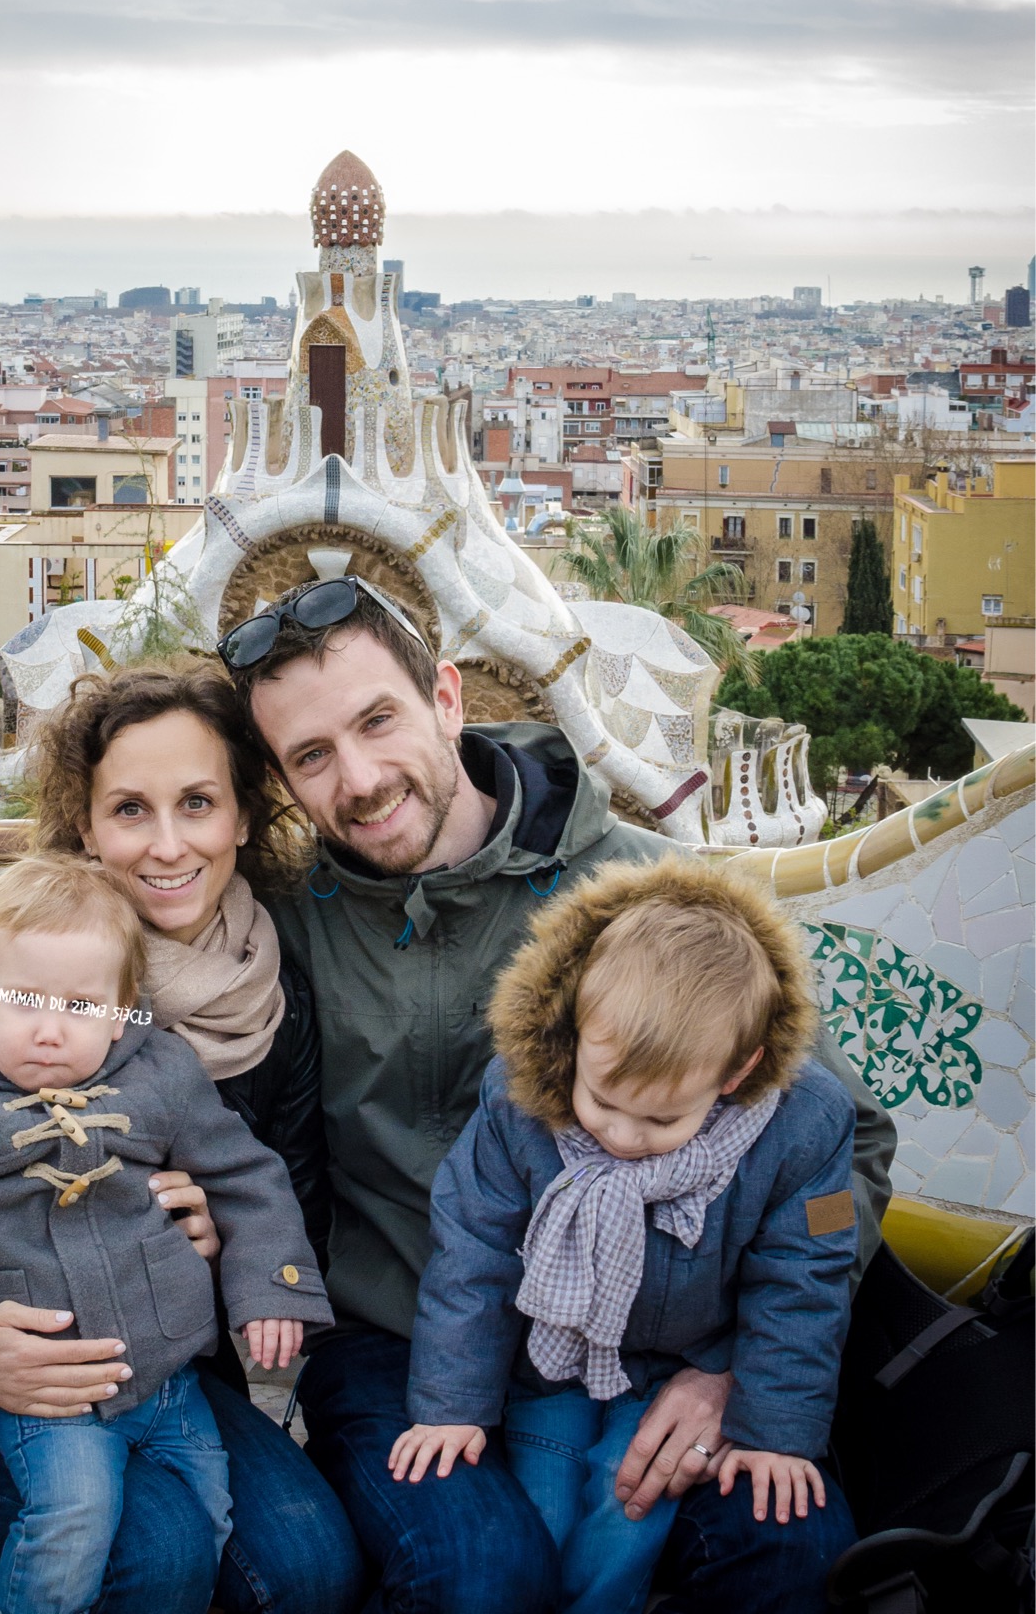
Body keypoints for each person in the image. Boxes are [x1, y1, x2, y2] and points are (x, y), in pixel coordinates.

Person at [216, 574, 895, 1614]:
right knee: (476, 1574)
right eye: (311, 755)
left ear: (446, 698)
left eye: (376, 719)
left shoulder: (647, 896)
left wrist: (732, 1373)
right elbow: (96, 904)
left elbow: (843, 1140)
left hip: (661, 1345)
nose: (355, 777)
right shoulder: (277, 918)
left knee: (792, 1546)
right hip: (397, 1335)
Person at [0, 660, 364, 1614]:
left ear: (244, 816)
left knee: (307, 1567)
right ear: (85, 827)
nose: (168, 845)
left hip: (162, 1372)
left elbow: (291, 1204)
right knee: (159, 1552)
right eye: (130, 809)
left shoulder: (275, 988)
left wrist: (223, 1245)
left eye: (198, 803)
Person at [0, 855, 330, 1614]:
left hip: (166, 1376)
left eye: (81, 1006)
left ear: (123, 1010)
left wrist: (269, 1285)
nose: (50, 1032)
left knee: (211, 1515)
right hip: (42, 1388)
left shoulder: (160, 1074)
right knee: (73, 1520)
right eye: (22, 1001)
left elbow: (245, 1177)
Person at [388, 853, 857, 1614]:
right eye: (602, 1102)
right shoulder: (517, 1104)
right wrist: (452, 1408)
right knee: (538, 1511)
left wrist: (775, 1430)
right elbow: (471, 1251)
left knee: (627, 1506)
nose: (623, 1137)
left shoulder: (803, 1127)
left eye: (662, 1119)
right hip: (550, 1364)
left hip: (686, 1363)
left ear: (736, 1072)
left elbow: (805, 1275)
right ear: (573, 1040)